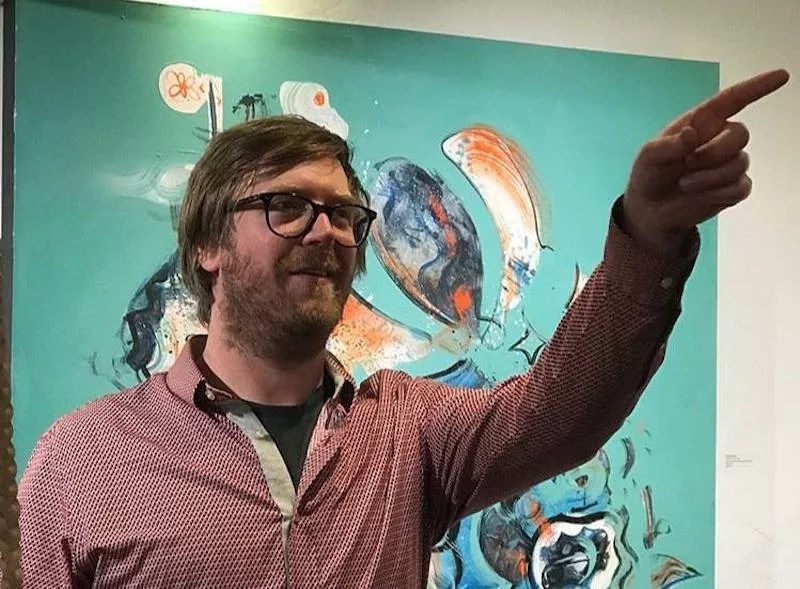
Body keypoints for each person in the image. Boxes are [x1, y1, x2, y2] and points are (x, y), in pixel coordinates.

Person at [14, 69, 789, 587]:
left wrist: (648, 234)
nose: (326, 230)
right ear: (208, 247)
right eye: (287, 206)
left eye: (343, 213)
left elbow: (564, 409)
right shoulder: (82, 462)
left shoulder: (406, 432)